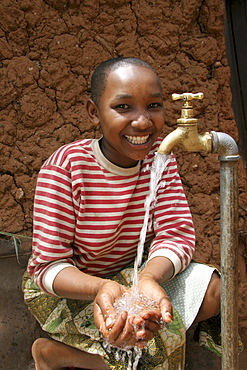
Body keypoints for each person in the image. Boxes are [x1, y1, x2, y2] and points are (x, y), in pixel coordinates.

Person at [22, 57, 220, 370]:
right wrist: (103, 288)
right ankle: (54, 353)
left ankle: (79, 357)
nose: (142, 121)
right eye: (123, 107)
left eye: (153, 105)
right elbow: (48, 266)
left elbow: (175, 234)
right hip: (72, 290)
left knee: (211, 292)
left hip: (132, 275)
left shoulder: (161, 161)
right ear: (93, 112)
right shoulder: (66, 168)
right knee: (146, 337)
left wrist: (149, 280)